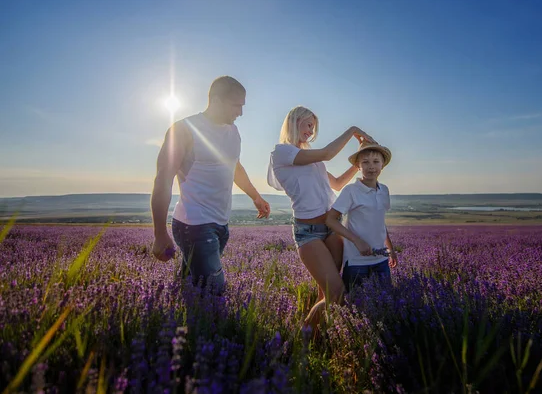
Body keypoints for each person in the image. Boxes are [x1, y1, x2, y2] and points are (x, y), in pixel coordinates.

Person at [151, 76, 271, 292]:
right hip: (194, 224)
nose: (240, 113)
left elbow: (235, 167)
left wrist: (256, 196)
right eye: (236, 105)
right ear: (216, 100)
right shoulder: (183, 130)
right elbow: (163, 179)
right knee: (214, 291)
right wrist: (159, 233)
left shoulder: (233, 131)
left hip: (221, 224)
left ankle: (179, 324)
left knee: (191, 289)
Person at [267, 105, 374, 329]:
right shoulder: (282, 152)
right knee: (336, 293)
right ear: (295, 122)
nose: (311, 131)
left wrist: (357, 165)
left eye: (313, 127)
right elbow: (327, 153)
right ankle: (305, 338)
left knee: (325, 294)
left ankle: (318, 338)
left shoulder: (310, 159)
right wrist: (353, 129)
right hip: (309, 234)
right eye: (308, 125)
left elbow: (336, 184)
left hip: (331, 229)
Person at [325, 141, 398, 293]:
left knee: (385, 304)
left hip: (381, 259)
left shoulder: (384, 190)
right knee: (356, 307)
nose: (371, 166)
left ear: (382, 165)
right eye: (365, 162)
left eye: (376, 161)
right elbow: (330, 220)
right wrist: (357, 240)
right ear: (358, 167)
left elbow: (379, 221)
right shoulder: (351, 190)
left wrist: (390, 249)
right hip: (356, 262)